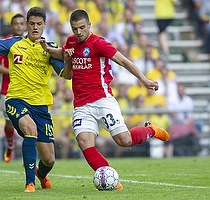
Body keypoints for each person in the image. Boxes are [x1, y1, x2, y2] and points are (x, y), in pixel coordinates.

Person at [37, 9, 169, 190]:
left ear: (90, 25)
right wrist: (48, 49)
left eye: (82, 27)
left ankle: (151, 130)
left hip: (102, 100)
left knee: (124, 141)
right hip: (81, 105)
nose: (79, 32)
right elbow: (63, 54)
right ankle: (111, 181)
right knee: (84, 142)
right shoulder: (71, 42)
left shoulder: (99, 43)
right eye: (75, 28)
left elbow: (124, 61)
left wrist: (144, 80)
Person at [0, 7, 64, 192]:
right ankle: (30, 183)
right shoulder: (12, 43)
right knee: (30, 129)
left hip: (41, 105)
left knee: (49, 159)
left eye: (39, 24)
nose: (35, 27)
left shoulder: (50, 48)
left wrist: (66, 58)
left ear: (45, 25)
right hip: (16, 99)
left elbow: (65, 74)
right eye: (32, 24)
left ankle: (41, 174)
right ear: (27, 24)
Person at [0, 13, 26, 163]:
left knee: (28, 122)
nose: (19, 26)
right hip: (8, 90)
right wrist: (12, 71)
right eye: (16, 24)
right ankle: (10, 144)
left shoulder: (31, 42)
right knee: (9, 122)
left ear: (25, 25)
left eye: (21, 23)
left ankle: (28, 151)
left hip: (27, 89)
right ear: (11, 26)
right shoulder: (5, 42)